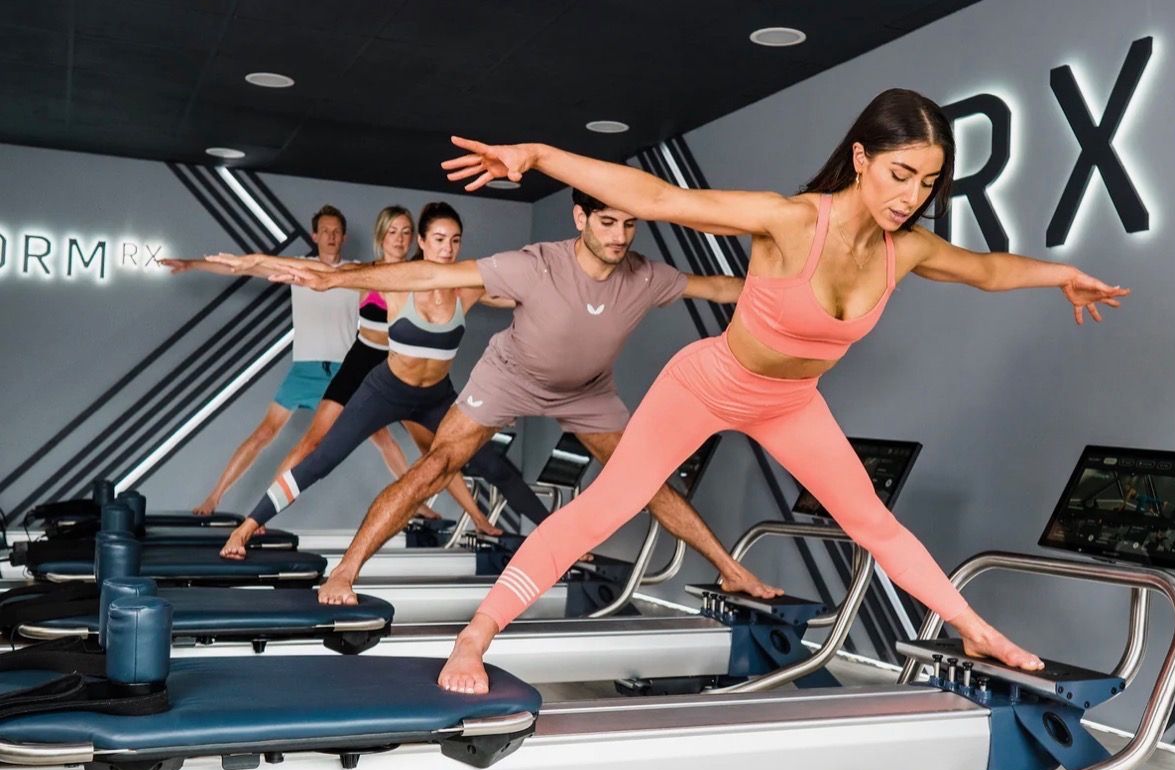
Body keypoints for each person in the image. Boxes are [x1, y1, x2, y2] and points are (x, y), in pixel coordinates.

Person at [423, 87, 1131, 693]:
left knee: (874, 524)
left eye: (927, 183)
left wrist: (1059, 277)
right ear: (861, 159)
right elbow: (662, 199)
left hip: (791, 404)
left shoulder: (904, 249)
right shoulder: (791, 220)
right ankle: (477, 635)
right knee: (608, 506)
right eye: (900, 173)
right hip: (709, 383)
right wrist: (539, 156)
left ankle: (974, 631)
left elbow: (986, 270)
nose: (911, 196)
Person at [252, 192, 783, 607]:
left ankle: (731, 569)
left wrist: (794, 288)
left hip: (587, 393)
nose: (619, 236)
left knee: (645, 478)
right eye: (606, 222)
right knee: (437, 464)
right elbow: (430, 272)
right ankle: (347, 569)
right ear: (580, 218)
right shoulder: (535, 264)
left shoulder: (646, 276)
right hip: (509, 377)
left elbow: (717, 288)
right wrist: (336, 277)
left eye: (628, 224)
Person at [209, 202, 550, 558]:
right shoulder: (397, 278)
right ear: (422, 240)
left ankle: (555, 537)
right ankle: (247, 527)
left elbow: (527, 296)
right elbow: (328, 274)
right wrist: (254, 263)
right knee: (322, 458)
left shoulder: (469, 286)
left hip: (437, 398)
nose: (447, 249)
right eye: (438, 239)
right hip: (387, 390)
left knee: (493, 465)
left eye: (455, 241)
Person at [164, 205, 400, 515]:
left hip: (345, 371)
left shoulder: (356, 273)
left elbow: (401, 285)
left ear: (343, 236)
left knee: (381, 435)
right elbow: (244, 268)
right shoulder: (297, 268)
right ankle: (213, 498)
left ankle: (417, 502)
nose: (330, 236)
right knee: (264, 433)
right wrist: (191, 263)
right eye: (325, 231)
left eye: (336, 231)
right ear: (315, 235)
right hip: (304, 369)